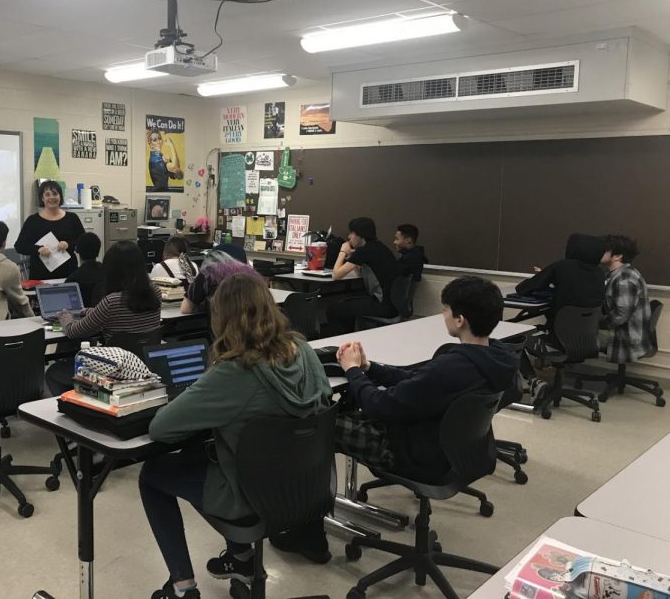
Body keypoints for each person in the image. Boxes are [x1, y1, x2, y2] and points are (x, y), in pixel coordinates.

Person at [271, 276, 519, 563]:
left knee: (316, 428)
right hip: (454, 451)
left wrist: (352, 371)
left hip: (412, 453)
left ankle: (308, 534)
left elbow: (378, 406)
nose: (443, 315)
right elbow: (418, 380)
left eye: (446, 310)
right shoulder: (496, 358)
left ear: (460, 319)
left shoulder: (452, 366)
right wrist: (369, 367)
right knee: (346, 408)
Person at [139, 273, 332, 599]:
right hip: (306, 489)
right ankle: (242, 559)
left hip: (252, 499)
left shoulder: (234, 371)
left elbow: (161, 428)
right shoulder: (304, 350)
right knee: (203, 458)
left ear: (221, 318)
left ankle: (182, 585)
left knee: (153, 474)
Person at [45, 240, 162, 396]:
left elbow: (73, 331)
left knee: (54, 372)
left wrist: (65, 315)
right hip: (144, 366)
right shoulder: (155, 292)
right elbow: (126, 311)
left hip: (114, 369)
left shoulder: (112, 301)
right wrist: (90, 312)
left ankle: (77, 403)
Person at [515, 233, 607, 407]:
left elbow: (524, 289)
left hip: (555, 340)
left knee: (513, 336)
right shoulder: (599, 273)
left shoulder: (563, 266)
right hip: (587, 341)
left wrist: (546, 279)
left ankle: (534, 381)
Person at [327, 217, 400, 333]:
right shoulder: (379, 247)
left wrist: (342, 252)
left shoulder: (364, 251)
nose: (349, 237)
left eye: (351, 233)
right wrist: (353, 258)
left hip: (382, 306)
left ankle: (343, 341)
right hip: (393, 304)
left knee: (333, 310)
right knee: (345, 303)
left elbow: (336, 275)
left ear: (360, 235)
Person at [14, 180, 84, 280]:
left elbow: (82, 242)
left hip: (68, 273)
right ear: (42, 198)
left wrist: (68, 244)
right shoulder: (33, 221)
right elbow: (20, 246)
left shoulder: (72, 218)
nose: (51, 197)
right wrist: (38, 249)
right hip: (40, 274)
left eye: (55, 194)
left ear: (60, 196)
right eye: (47, 194)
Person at [600, 234, 652, 363]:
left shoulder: (624, 279)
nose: (599, 252)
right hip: (631, 332)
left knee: (576, 330)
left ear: (618, 256)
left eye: (604, 250)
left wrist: (598, 322)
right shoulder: (621, 273)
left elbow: (620, 315)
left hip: (626, 337)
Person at [180, 244, 261, 315]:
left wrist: (206, 305)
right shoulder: (254, 276)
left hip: (224, 328)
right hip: (257, 328)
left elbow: (185, 309)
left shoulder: (207, 274)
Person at [65, 232, 105, 306]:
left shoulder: (72, 279)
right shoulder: (107, 272)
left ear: (77, 250)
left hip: (82, 316)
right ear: (98, 252)